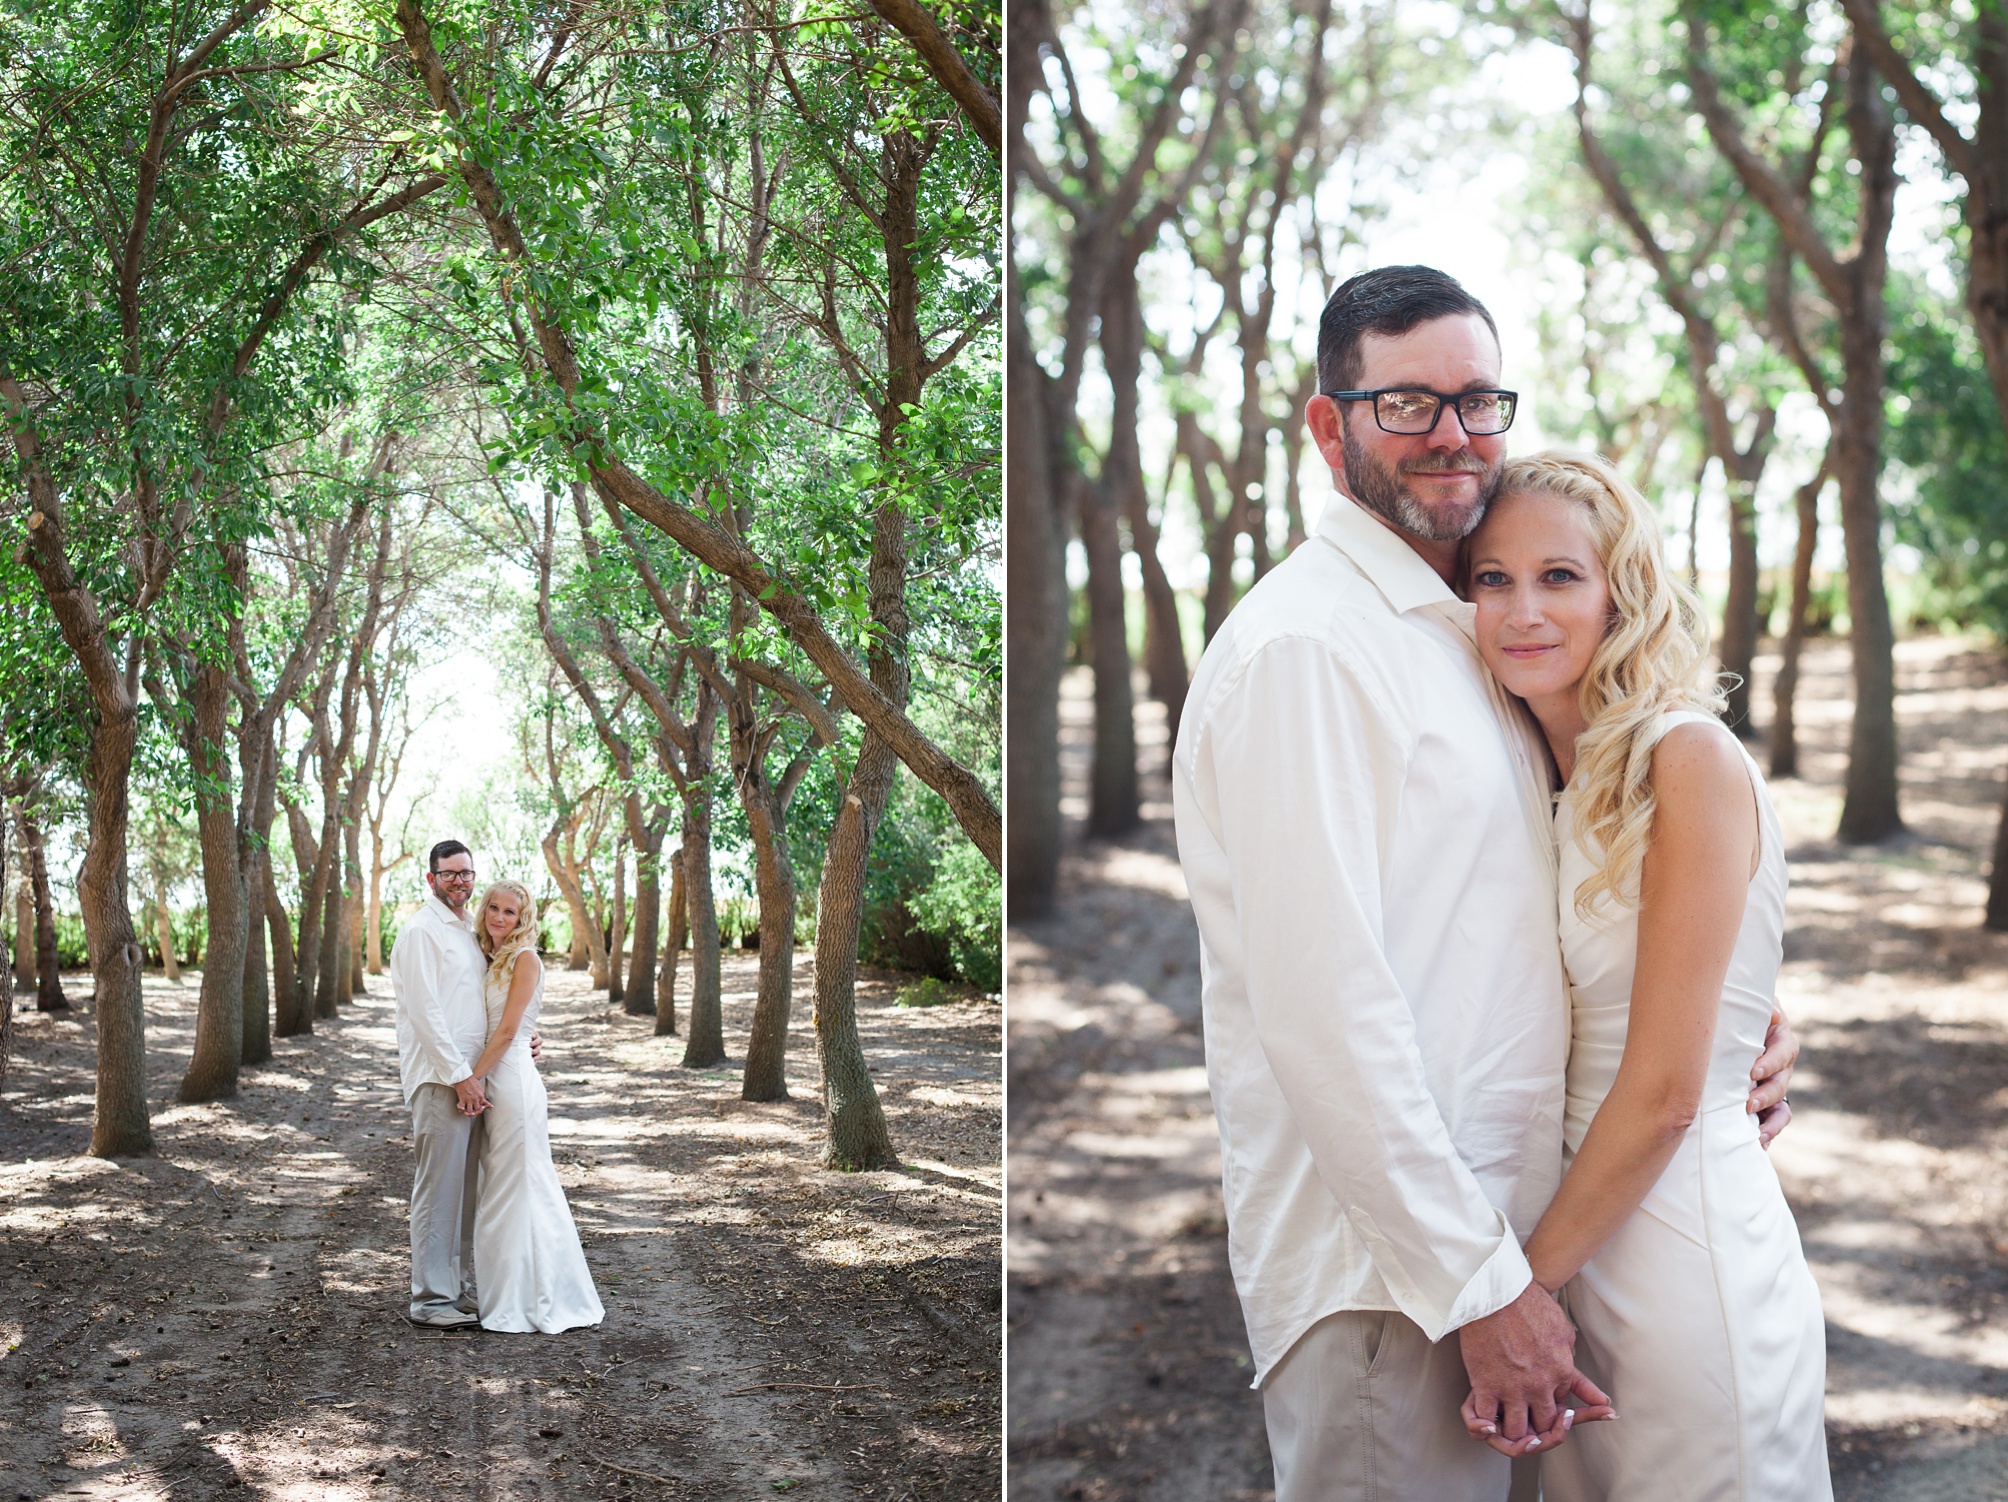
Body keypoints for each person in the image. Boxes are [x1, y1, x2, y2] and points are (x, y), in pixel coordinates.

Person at [1169, 265, 1798, 1500]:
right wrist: (1485, 1283)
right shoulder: (1310, 650)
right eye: (1404, 402)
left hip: (1530, 1256)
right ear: (1327, 423)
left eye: (1477, 400)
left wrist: (1732, 1034)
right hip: (1397, 1283)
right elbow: (1324, 1016)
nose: (1451, 433)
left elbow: (1551, 913)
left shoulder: (1457, 639)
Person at [1457, 452, 1829, 1496]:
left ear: (1622, 588)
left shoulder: (1685, 756)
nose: (1522, 608)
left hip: (1679, 1250)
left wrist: (1512, 1299)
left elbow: (1669, 1090)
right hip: (1579, 1233)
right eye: (1490, 577)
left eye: (1559, 575)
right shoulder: (1540, 779)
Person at [465, 879, 603, 1334]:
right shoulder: (488, 957)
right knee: (500, 1188)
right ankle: (506, 1291)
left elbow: (508, 1032)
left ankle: (539, 1298)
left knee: (522, 1186)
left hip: (511, 1084)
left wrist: (474, 1078)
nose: (500, 917)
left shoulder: (525, 959)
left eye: (511, 912)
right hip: (498, 1072)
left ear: (524, 920)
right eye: (494, 908)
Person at [390, 839, 494, 1329]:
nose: (460, 881)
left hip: (475, 1079)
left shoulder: (468, 931)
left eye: (466, 873)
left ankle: (455, 1288)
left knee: (466, 1191)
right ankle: (429, 1300)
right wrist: (460, 1077)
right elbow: (426, 1014)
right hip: (442, 1080)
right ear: (430, 879)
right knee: (438, 1189)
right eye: (450, 874)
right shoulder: (420, 932)